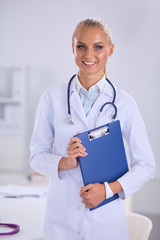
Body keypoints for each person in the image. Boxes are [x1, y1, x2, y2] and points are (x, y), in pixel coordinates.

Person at [30, 18, 155, 240]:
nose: (89, 55)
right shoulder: (51, 98)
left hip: (105, 223)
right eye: (81, 46)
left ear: (110, 50)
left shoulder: (125, 104)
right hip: (61, 219)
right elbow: (36, 156)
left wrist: (107, 191)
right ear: (72, 48)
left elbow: (146, 165)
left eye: (98, 47)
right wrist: (65, 162)